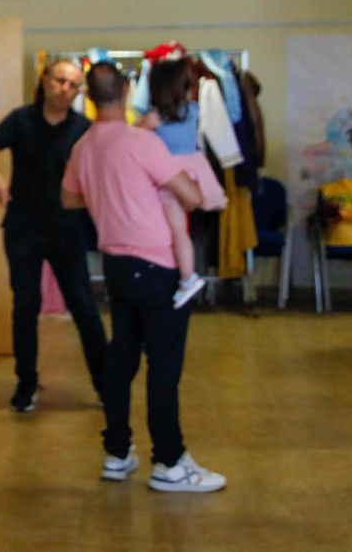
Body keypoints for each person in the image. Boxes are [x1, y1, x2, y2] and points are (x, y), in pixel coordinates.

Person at [62, 62, 221, 493]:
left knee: (123, 358)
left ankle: (117, 452)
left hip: (116, 265)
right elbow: (190, 200)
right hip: (157, 266)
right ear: (128, 91)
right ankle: (169, 461)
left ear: (89, 97)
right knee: (163, 366)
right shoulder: (142, 142)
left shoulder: (83, 146)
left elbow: (69, 197)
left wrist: (108, 194)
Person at [0, 60, 108, 412]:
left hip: (67, 231)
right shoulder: (21, 120)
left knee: (84, 308)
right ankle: (26, 384)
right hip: (23, 228)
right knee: (25, 307)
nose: (65, 89)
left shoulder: (84, 129)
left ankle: (107, 386)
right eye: (60, 80)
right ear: (45, 81)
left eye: (73, 85)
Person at [136, 58, 228, 308]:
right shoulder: (194, 111)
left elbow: (131, 140)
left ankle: (188, 277)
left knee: (175, 229)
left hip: (169, 173)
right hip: (192, 169)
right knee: (180, 229)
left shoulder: (154, 117)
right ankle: (186, 276)